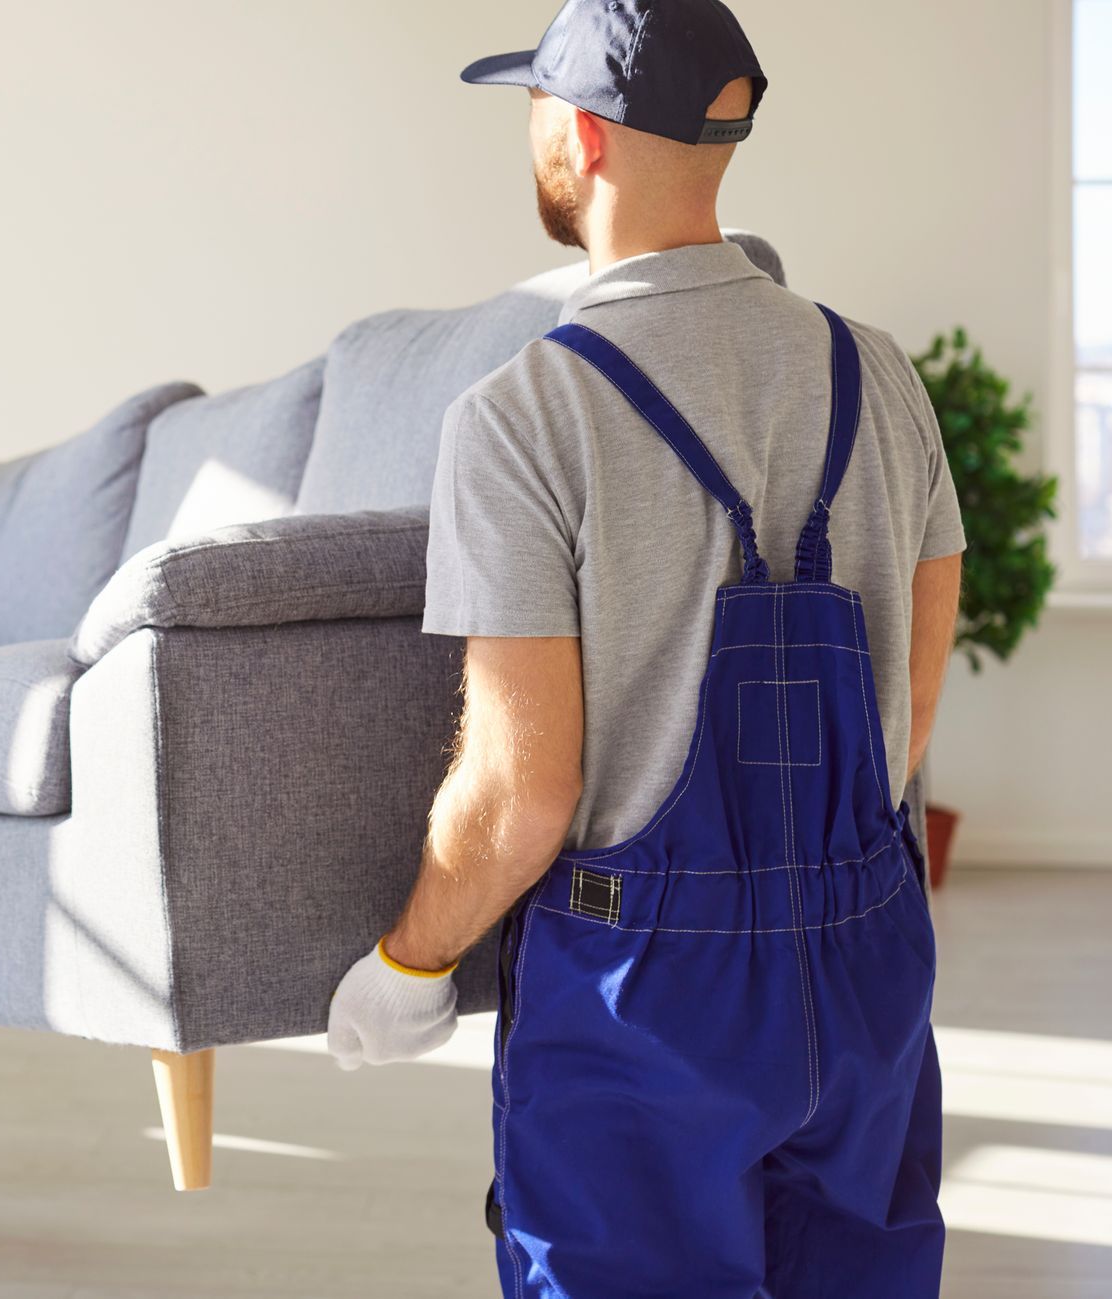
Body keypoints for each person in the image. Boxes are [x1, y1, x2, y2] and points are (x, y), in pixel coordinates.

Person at [324, 2, 964, 1295]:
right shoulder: (881, 374)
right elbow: (908, 705)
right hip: (870, 960)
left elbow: (520, 789)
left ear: (583, 135)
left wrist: (409, 960)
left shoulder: (524, 415)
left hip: (644, 997)